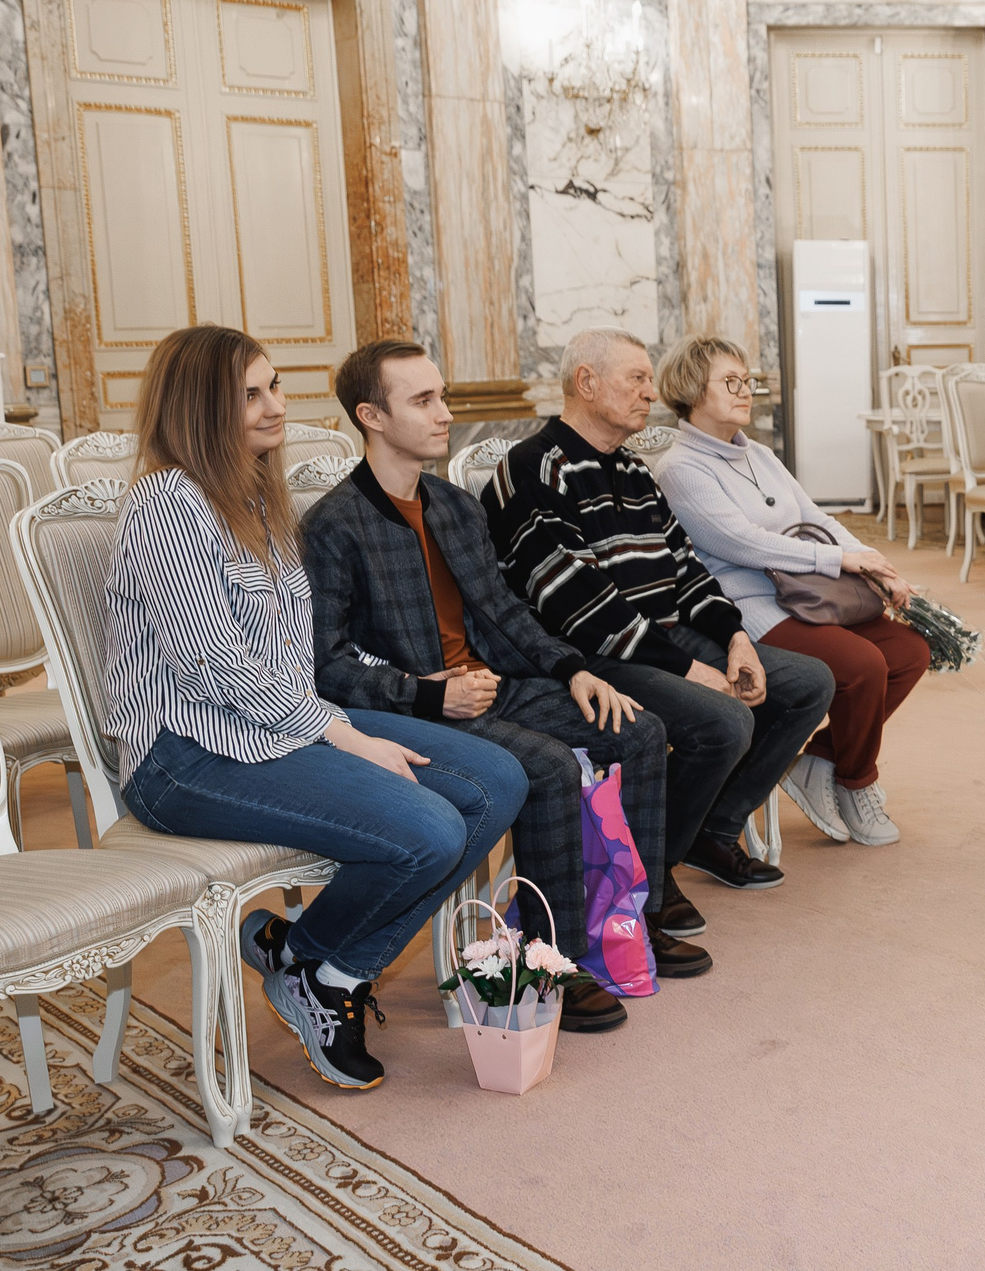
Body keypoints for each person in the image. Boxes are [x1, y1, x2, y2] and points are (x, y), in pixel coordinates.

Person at [104, 325, 528, 1092]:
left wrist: (333, 725)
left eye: (274, 386)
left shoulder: (261, 498)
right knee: (429, 825)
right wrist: (340, 733)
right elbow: (212, 664)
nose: (277, 405)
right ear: (201, 408)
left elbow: (292, 654)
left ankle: (318, 962)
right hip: (187, 754)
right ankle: (330, 976)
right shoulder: (169, 500)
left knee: (497, 779)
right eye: (252, 394)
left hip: (278, 724)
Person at [302, 340, 708, 1004]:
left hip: (494, 686)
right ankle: (555, 957)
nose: (445, 414)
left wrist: (571, 668)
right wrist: (428, 694)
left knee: (637, 729)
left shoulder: (453, 506)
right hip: (417, 712)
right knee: (547, 767)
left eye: (444, 396)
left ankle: (633, 918)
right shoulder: (334, 526)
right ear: (371, 415)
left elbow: (501, 609)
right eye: (424, 400)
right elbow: (327, 665)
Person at [485, 329, 834, 908]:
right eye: (638, 379)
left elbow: (688, 569)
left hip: (667, 634)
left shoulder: (633, 470)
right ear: (586, 382)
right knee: (723, 721)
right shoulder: (534, 469)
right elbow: (576, 604)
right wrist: (687, 668)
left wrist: (735, 637)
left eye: (650, 380)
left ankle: (707, 833)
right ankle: (654, 866)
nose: (652, 393)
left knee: (806, 684)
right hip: (592, 656)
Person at [655, 336, 931, 849]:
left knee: (911, 652)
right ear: (692, 390)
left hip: (811, 595)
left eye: (748, 381)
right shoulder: (680, 467)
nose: (746, 392)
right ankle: (856, 781)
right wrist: (838, 559)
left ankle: (821, 759)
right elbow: (738, 542)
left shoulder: (757, 452)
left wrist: (878, 566)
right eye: (731, 382)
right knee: (863, 666)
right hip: (753, 606)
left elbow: (815, 518)